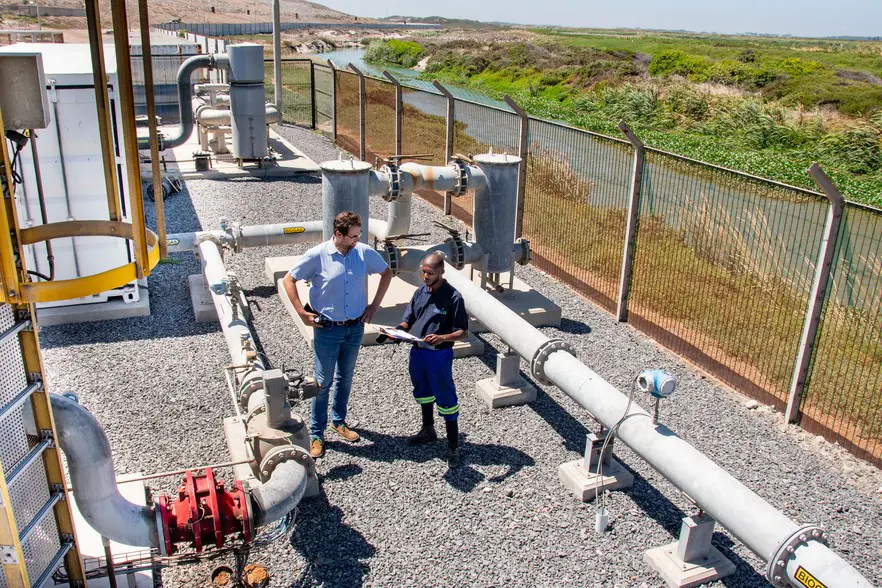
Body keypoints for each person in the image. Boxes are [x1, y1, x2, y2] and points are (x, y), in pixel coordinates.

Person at [282, 211, 393, 459]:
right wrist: (301, 312)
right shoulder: (318, 255)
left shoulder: (363, 253)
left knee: (346, 378)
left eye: (358, 235)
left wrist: (374, 306)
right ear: (338, 234)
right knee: (322, 383)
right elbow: (289, 280)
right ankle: (316, 434)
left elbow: (387, 273)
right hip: (328, 329)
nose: (357, 240)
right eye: (353, 236)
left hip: (355, 328)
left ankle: (338, 421)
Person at [390, 252, 468, 467]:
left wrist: (442, 337)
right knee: (422, 391)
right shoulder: (420, 292)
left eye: (430, 273)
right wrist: (396, 332)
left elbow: (462, 332)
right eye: (423, 272)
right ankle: (428, 430)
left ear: (441, 272)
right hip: (418, 351)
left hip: (439, 356)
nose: (425, 276)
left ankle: (453, 446)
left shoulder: (454, 298)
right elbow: (409, 319)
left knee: (445, 396)